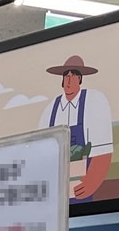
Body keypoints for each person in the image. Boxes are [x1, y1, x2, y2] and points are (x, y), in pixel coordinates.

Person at [43, 53, 114, 202]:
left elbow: (103, 150)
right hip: (55, 189)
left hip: (81, 185)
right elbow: (41, 153)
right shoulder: (50, 109)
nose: (69, 80)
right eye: (66, 76)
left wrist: (91, 182)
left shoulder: (94, 101)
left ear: (80, 79)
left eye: (74, 75)